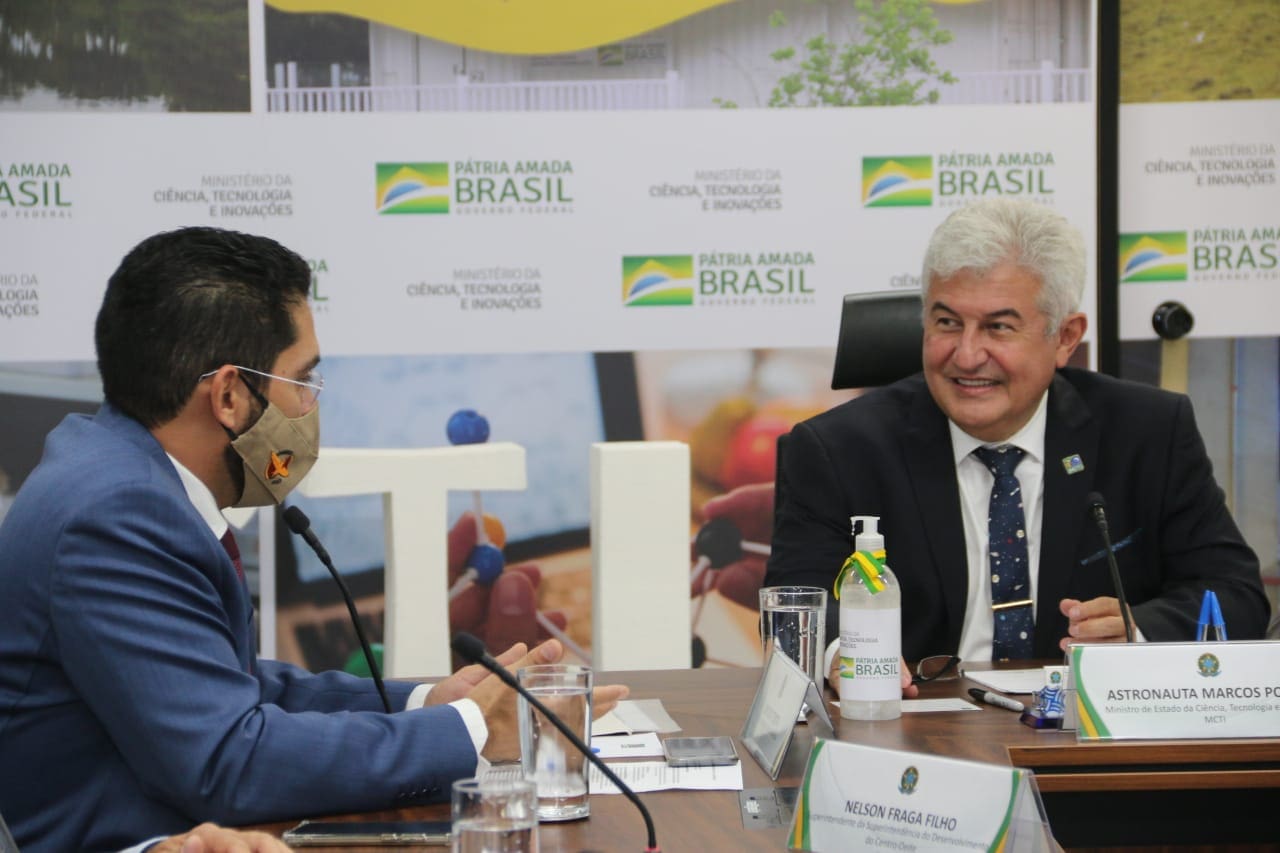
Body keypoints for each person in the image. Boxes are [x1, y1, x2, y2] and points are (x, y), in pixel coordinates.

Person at [0, 227, 626, 853]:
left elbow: (236, 688)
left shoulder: (119, 475)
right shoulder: (117, 516)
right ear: (228, 396)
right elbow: (229, 762)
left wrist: (429, 703)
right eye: (302, 380)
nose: (309, 405)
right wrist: (473, 728)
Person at [765, 198, 1270, 668]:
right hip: (913, 720)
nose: (966, 356)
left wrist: (1138, 632)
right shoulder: (839, 449)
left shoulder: (1147, 432)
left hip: (1080, 721)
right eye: (947, 322)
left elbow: (1235, 594)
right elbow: (794, 612)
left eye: (999, 327)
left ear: (1065, 337)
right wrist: (848, 659)